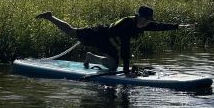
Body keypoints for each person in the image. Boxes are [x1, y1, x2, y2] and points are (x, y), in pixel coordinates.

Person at [36, 6, 194, 74]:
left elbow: (160, 26)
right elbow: (125, 49)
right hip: (100, 34)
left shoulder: (145, 24)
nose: (145, 23)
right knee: (71, 32)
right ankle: (50, 17)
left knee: (112, 66)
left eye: (148, 21)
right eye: (143, 19)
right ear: (138, 16)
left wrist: (180, 26)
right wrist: (126, 72)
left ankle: (91, 57)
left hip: (109, 44)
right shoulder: (127, 24)